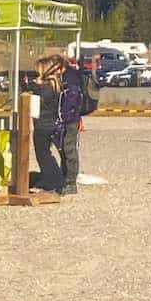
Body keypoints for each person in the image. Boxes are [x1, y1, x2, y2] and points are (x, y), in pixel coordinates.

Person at [23, 57, 67, 194]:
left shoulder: (48, 87)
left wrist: (32, 84)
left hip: (44, 125)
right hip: (47, 124)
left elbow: (41, 97)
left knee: (43, 155)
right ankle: (52, 179)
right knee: (45, 154)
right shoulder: (53, 85)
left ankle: (54, 181)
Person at [56, 54, 93, 195]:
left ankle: (70, 181)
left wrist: (65, 117)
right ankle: (65, 177)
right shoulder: (70, 75)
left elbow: (71, 99)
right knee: (65, 148)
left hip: (70, 119)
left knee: (68, 148)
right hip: (69, 117)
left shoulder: (70, 77)